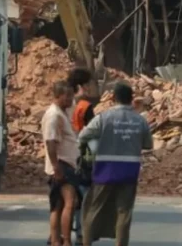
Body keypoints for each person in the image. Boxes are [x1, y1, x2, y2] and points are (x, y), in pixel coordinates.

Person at [78, 82, 152, 246]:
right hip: (129, 171)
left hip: (105, 170)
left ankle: (86, 242)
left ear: (112, 98)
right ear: (131, 99)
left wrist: (95, 144)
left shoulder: (103, 118)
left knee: (93, 208)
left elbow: (83, 135)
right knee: (124, 212)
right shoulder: (140, 121)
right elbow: (148, 144)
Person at [42, 80, 81, 246]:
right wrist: (57, 167)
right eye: (67, 96)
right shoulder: (54, 115)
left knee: (58, 205)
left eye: (72, 96)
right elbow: (51, 142)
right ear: (57, 96)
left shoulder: (62, 112)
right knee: (70, 203)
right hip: (62, 164)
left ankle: (56, 240)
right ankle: (65, 240)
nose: (71, 99)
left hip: (65, 164)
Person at [68, 68, 97, 245]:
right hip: (83, 155)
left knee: (69, 196)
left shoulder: (63, 105)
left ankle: (63, 233)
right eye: (87, 85)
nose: (89, 88)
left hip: (67, 155)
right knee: (85, 196)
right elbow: (91, 134)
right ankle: (81, 232)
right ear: (81, 86)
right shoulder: (85, 107)